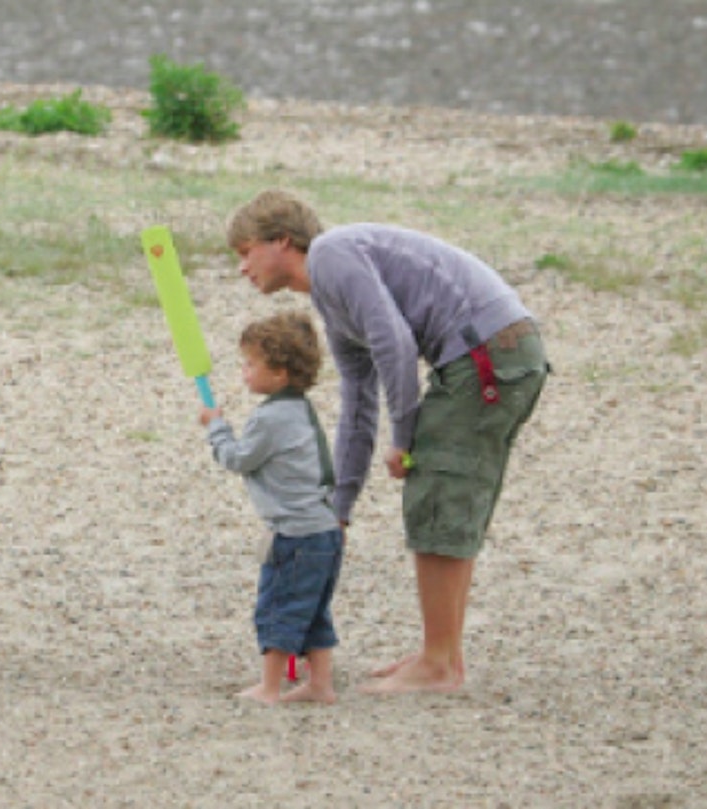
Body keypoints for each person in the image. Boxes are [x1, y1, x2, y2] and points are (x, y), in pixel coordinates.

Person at [227, 189, 548, 695]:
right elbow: (358, 403)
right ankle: (443, 654)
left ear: (281, 241)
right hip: (496, 353)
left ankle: (439, 665)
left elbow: (395, 343)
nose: (242, 267)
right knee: (448, 495)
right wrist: (339, 506)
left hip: (486, 353)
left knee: (436, 495)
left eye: (245, 252)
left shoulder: (331, 254)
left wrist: (403, 440)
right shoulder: (333, 305)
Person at [201, 312, 344, 705]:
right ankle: (320, 684)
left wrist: (216, 427)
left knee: (278, 607)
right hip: (326, 531)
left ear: (280, 373)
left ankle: (269, 686)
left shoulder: (271, 417)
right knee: (314, 611)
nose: (244, 371)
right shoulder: (300, 410)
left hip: (296, 535)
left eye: (251, 364)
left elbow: (237, 459)